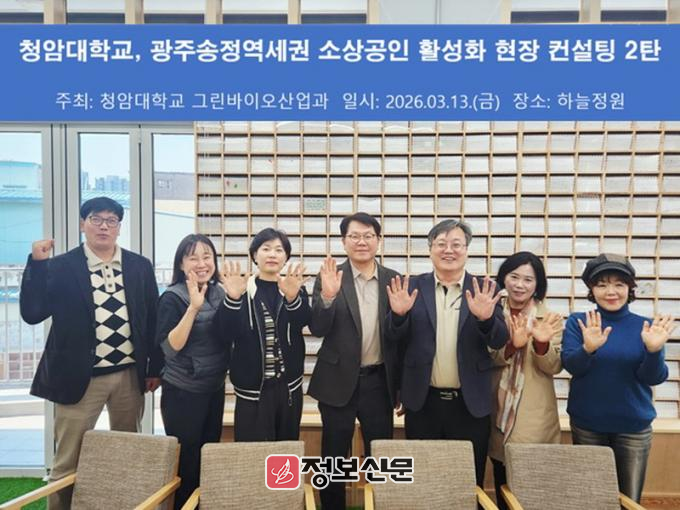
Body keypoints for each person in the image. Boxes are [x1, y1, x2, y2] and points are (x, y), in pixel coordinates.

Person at [20, 197, 161, 510]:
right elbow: (32, 312)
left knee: (127, 452)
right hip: (78, 378)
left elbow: (152, 318)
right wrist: (37, 265)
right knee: (67, 460)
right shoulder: (61, 266)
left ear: (119, 227)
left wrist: (154, 368)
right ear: (83, 223)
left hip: (129, 375)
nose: (104, 226)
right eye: (96, 219)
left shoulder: (139, 266)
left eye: (112, 220)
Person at [385, 218, 508, 487]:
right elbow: (393, 339)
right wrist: (398, 316)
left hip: (469, 403)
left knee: (467, 480)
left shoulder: (485, 289)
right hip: (423, 402)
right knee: (424, 480)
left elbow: (500, 340)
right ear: (430, 249)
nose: (448, 250)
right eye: (441, 244)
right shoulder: (411, 287)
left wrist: (485, 319)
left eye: (456, 244)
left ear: (466, 250)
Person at [562, 253, 674, 503]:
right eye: (602, 285)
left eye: (619, 284)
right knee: (591, 498)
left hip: (633, 426)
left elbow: (654, 377)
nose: (610, 291)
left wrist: (654, 350)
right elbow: (572, 366)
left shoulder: (646, 326)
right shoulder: (579, 322)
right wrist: (588, 348)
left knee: (629, 499)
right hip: (588, 424)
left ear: (629, 288)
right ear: (591, 290)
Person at [308, 212, 400, 510]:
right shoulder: (330, 277)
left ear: (378, 240)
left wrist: (400, 387)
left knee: (381, 456)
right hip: (337, 382)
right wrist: (327, 298)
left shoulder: (393, 280)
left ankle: (382, 506)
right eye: (355, 236)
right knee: (334, 457)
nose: (362, 242)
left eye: (368, 236)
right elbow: (318, 328)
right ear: (344, 241)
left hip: (378, 382)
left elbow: (400, 339)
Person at [156, 234, 230, 509]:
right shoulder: (172, 297)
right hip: (183, 392)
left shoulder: (220, 292)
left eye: (207, 257)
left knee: (206, 456)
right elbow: (170, 348)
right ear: (181, 263)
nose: (202, 263)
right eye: (193, 257)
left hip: (214, 387)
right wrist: (193, 309)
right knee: (186, 461)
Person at [217, 228, 310, 441]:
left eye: (279, 250)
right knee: (253, 453)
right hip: (252, 390)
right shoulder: (241, 289)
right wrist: (232, 298)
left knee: (286, 451)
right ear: (254, 255)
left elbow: (304, 322)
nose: (272, 254)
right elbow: (225, 332)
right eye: (266, 249)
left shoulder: (293, 287)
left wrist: (293, 298)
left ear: (286, 257)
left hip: (288, 388)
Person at [487, 252, 564, 509]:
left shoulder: (549, 318)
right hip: (497, 410)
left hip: (534, 416)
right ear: (504, 279)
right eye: (514, 277)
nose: (520, 285)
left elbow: (553, 366)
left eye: (528, 280)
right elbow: (485, 359)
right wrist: (512, 344)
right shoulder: (492, 313)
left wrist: (541, 343)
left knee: (532, 489)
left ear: (537, 284)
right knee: (501, 481)